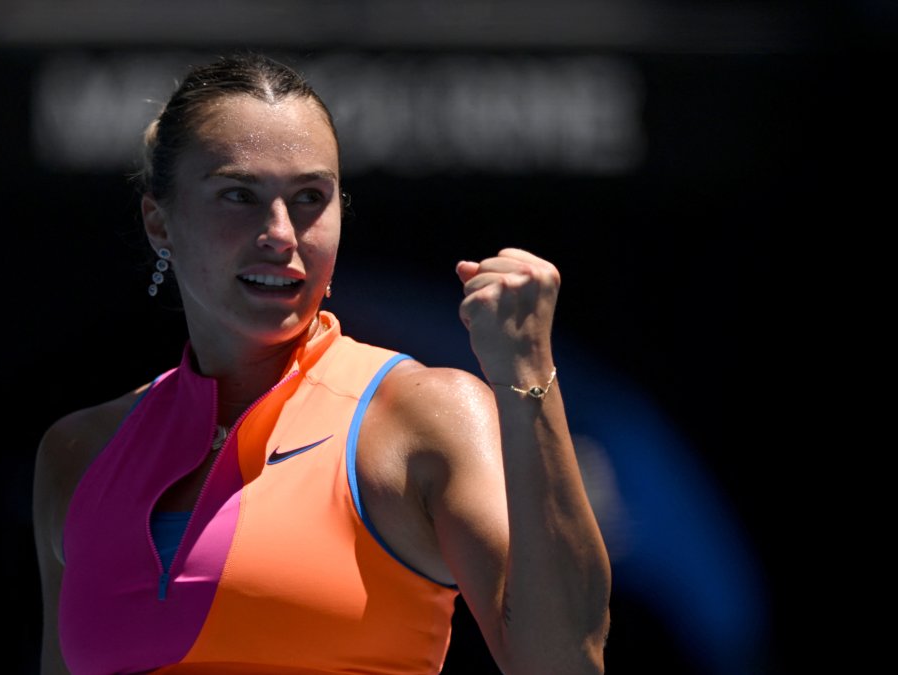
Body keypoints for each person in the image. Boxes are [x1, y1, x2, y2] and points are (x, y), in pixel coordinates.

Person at [33, 53, 611, 675]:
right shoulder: (77, 452)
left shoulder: (424, 416)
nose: (282, 233)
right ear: (159, 221)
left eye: (310, 197)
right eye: (239, 195)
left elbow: (566, 663)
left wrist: (527, 371)